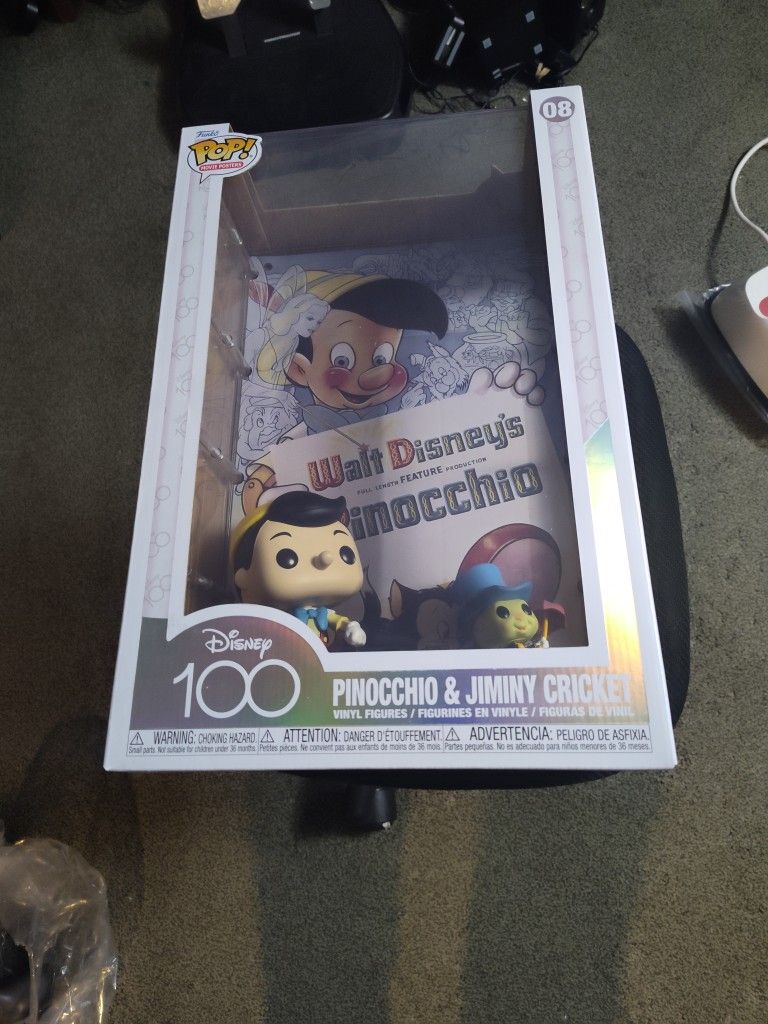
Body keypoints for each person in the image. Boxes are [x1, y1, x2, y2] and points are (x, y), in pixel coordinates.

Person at [231, 490, 366, 649]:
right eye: (287, 557)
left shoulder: (324, 613)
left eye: (345, 554)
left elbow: (340, 622)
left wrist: (351, 627)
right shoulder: (277, 619)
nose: (326, 558)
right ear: (243, 577)